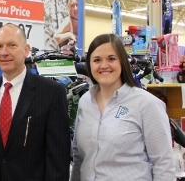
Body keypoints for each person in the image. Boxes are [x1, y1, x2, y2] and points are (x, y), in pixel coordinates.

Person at [71, 33, 175, 180]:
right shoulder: (85, 102)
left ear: (122, 62)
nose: (104, 65)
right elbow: (79, 158)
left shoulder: (146, 104)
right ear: (89, 65)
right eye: (97, 60)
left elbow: (163, 164)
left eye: (111, 59)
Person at [0, 23, 70, 180]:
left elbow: (58, 158)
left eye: (12, 45)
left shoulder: (51, 93)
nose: (4, 52)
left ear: (26, 50)